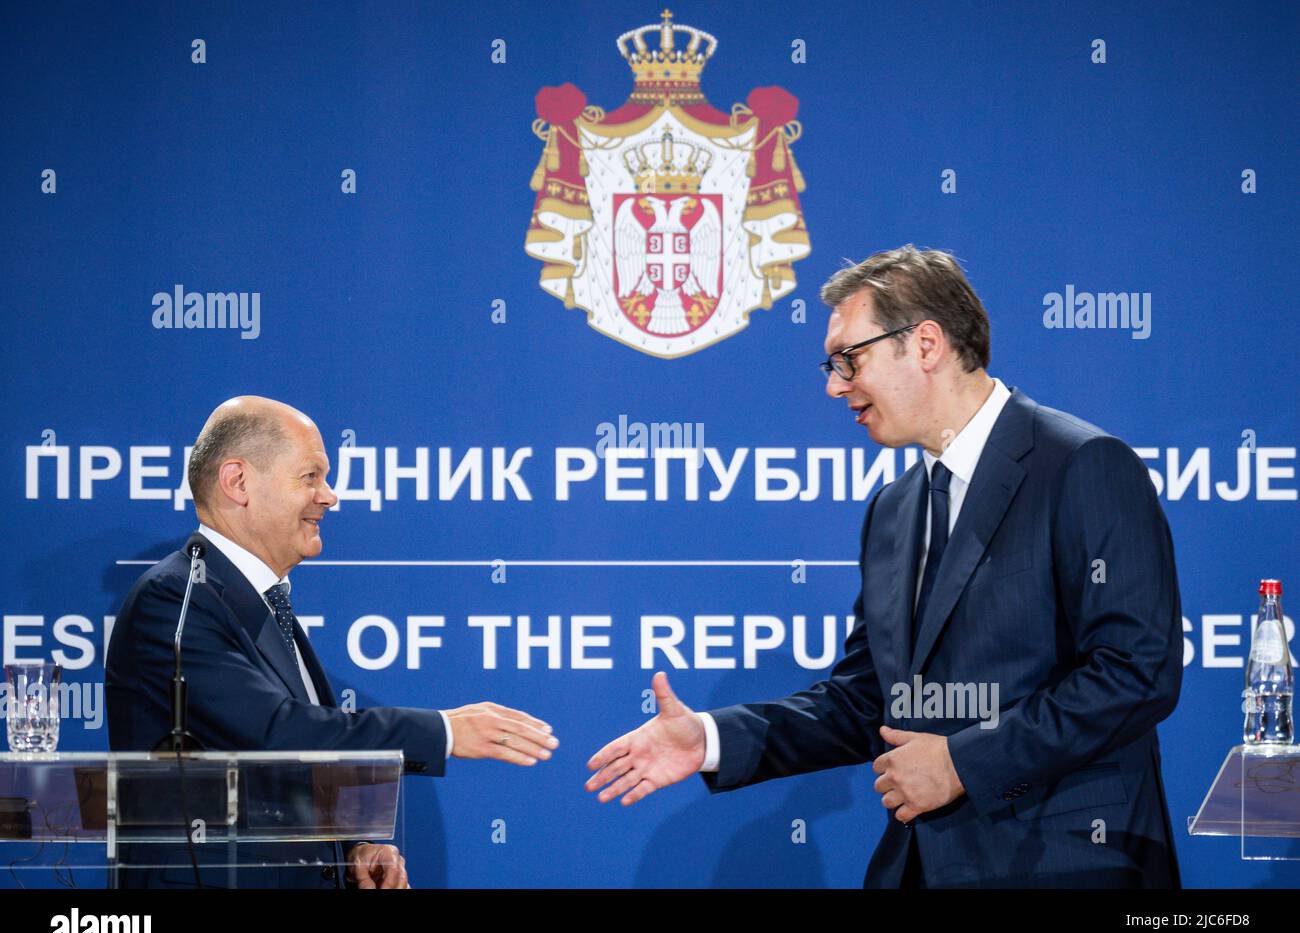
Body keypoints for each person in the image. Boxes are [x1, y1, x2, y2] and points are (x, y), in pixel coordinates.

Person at [585, 245, 1183, 888]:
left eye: (850, 358)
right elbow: (867, 699)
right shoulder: (894, 510)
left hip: (1066, 862)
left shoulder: (1082, 465)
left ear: (925, 344)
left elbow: (1136, 672)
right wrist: (708, 739)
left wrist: (962, 764)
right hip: (920, 868)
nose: (835, 384)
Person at [106, 396, 559, 888]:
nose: (330, 496)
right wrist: (444, 731)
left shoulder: (259, 600)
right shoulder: (176, 599)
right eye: (310, 476)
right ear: (238, 482)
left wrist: (349, 846)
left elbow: (269, 772)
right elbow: (277, 735)